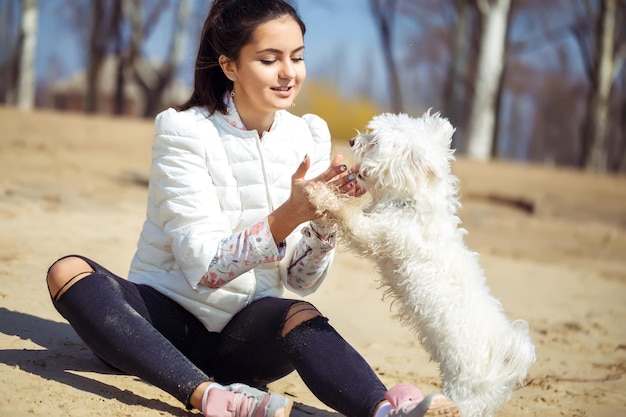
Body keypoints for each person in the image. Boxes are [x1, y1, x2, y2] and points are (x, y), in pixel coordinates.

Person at [46, 1, 460, 417]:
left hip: (244, 340)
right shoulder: (182, 132)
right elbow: (204, 268)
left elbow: (300, 281)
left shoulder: (308, 136)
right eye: (269, 59)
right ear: (229, 66)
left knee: (301, 314)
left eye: (297, 57)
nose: (288, 73)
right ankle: (211, 397)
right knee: (68, 271)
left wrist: (323, 222)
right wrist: (290, 215)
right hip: (157, 328)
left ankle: (384, 410)